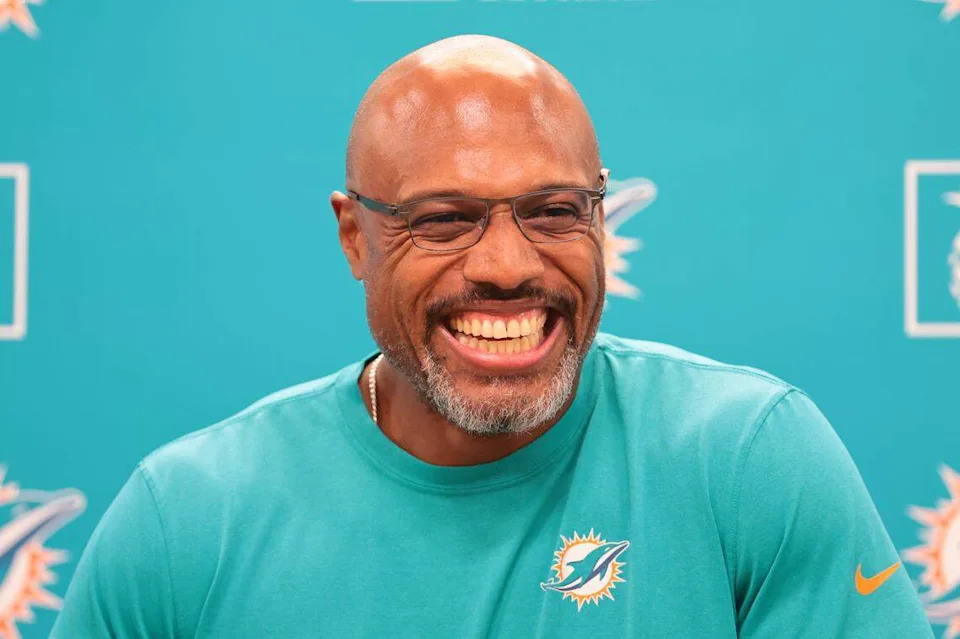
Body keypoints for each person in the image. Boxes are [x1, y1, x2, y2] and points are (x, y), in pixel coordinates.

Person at [52, 35, 933, 638]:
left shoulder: (748, 459)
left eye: (555, 211)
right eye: (444, 219)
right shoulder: (185, 524)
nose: (508, 264)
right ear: (354, 236)